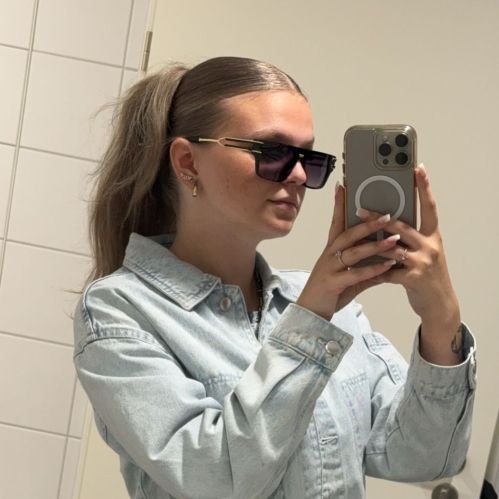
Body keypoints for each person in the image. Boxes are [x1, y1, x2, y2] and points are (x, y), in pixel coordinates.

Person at [72, 56, 477, 499]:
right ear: (188, 162)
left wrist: (441, 319)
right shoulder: (120, 312)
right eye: (272, 153)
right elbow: (217, 478)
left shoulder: (331, 308)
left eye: (309, 158)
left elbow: (423, 458)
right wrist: (312, 320)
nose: (300, 175)